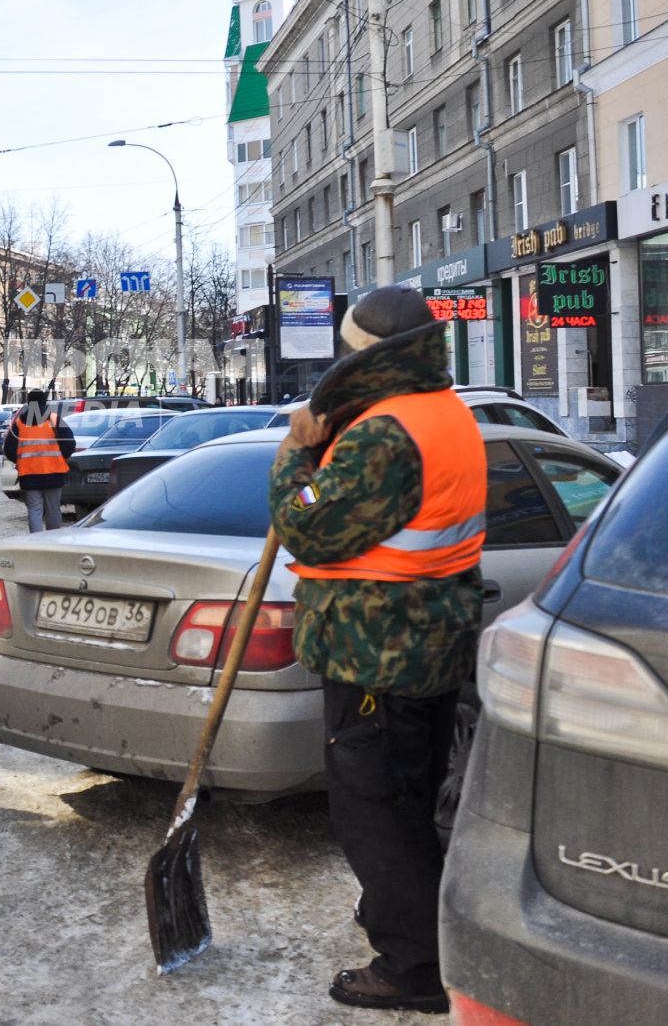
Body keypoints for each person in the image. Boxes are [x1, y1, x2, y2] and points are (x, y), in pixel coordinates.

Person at [265, 285, 486, 1015]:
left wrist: (295, 456)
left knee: (374, 809)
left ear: (368, 357)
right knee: (408, 799)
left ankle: (415, 963)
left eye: (347, 348)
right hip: (425, 645)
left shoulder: (386, 431)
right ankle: (409, 913)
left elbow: (308, 525)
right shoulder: (447, 413)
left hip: (376, 654)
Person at [8, 389, 74, 533]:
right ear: (45, 402)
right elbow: (69, 444)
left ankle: (36, 541)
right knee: (53, 509)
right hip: (54, 473)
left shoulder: (19, 423)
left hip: (29, 475)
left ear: (28, 403)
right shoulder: (54, 419)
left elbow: (9, 450)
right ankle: (54, 540)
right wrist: (61, 458)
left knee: (34, 510)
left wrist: (21, 462)